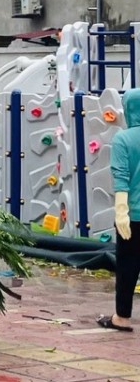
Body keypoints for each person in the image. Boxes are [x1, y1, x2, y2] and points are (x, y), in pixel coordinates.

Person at [101, 89, 140, 331]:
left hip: (133, 216)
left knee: (128, 265)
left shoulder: (123, 139)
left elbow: (121, 178)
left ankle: (122, 317)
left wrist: (121, 212)